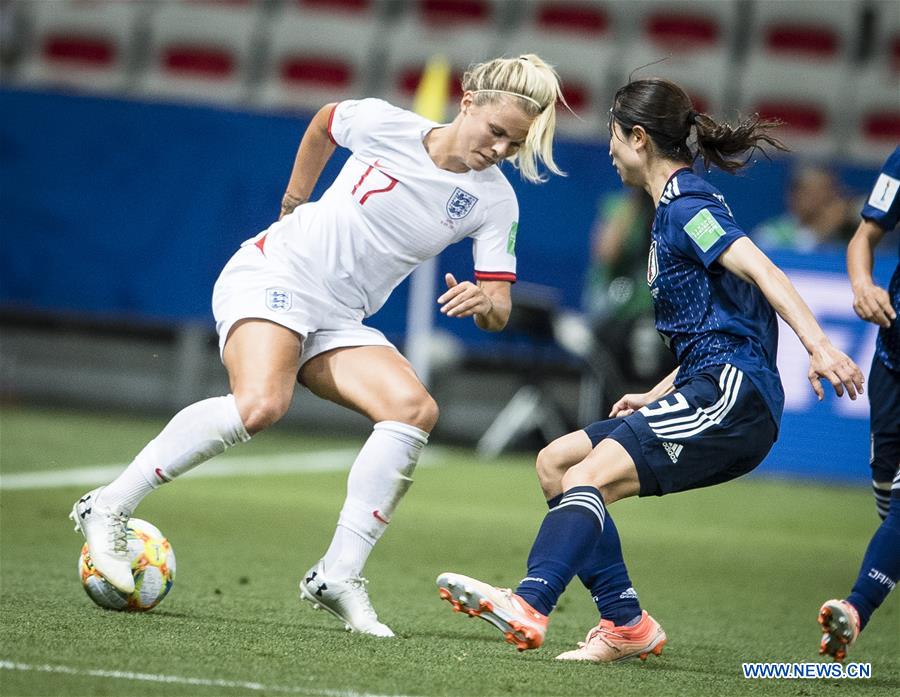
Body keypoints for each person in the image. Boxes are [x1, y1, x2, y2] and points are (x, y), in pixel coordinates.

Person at [70, 54, 566, 637]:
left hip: (340, 316)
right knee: (261, 405)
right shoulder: (388, 124)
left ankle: (337, 574)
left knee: (414, 410)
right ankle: (107, 506)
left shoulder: (494, 201)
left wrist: (487, 305)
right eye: (497, 132)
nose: (501, 149)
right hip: (275, 274)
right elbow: (325, 122)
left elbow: (499, 308)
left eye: (515, 143)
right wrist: (292, 203)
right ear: (468, 105)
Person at [436, 77, 865, 661]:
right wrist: (659, 391)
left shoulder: (688, 207)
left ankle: (531, 601)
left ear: (638, 138)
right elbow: (714, 321)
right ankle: (627, 624)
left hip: (733, 393)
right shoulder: (668, 212)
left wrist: (819, 346)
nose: (609, 151)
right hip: (702, 381)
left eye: (614, 137)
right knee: (557, 463)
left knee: (588, 479)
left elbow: (765, 273)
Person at [818, 146, 899, 662]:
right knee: (886, 491)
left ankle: (856, 608)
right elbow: (863, 236)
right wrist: (862, 283)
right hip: (894, 357)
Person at [752, 165, 857, 253]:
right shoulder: (771, 233)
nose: (820, 200)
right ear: (793, 196)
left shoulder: (844, 236)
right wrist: (818, 233)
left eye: (826, 193)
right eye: (813, 194)